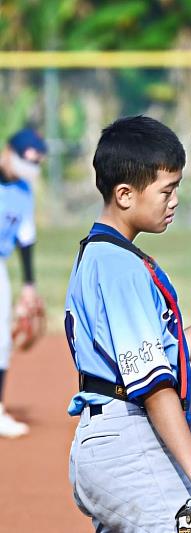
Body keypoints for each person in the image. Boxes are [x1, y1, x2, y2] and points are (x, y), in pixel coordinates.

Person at [64, 116, 191, 533]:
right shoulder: (120, 266)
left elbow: (161, 353)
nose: (175, 201)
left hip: (110, 439)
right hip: (128, 442)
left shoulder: (101, 255)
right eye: (166, 190)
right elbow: (153, 383)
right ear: (124, 195)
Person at [0, 127, 47, 438]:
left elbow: (25, 238)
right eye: (24, 161)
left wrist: (29, 284)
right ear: (7, 152)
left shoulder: (23, 192)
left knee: (2, 339)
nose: (28, 170)